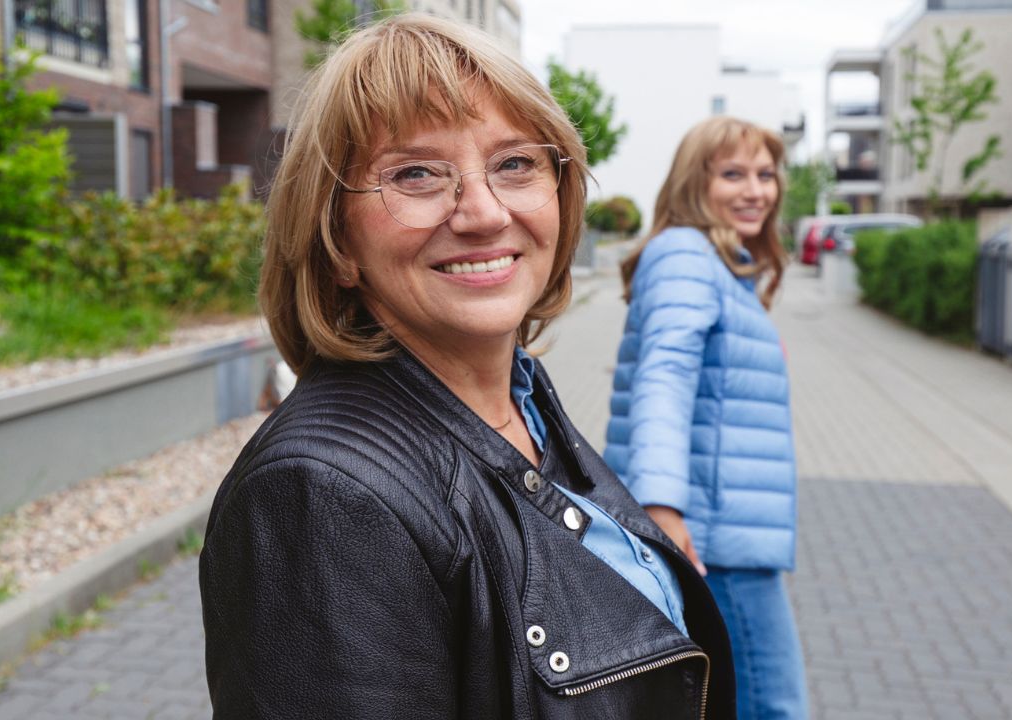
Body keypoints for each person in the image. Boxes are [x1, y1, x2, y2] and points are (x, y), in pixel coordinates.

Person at [198, 15, 737, 719]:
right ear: (337, 241)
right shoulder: (323, 495)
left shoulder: (522, 401)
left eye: (515, 163)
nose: (483, 212)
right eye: (416, 173)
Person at [604, 116, 806, 720]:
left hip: (727, 532)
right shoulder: (686, 256)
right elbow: (663, 378)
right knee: (774, 707)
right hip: (715, 540)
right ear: (696, 182)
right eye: (733, 174)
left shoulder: (720, 266)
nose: (756, 191)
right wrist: (663, 507)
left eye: (766, 175)